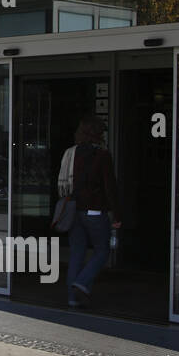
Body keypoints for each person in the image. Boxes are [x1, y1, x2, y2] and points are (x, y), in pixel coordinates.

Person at [63, 114, 121, 308]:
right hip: (95, 210)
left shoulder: (71, 153)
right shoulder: (102, 155)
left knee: (77, 253)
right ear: (98, 134)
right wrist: (117, 215)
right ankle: (81, 282)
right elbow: (109, 187)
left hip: (73, 210)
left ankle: (71, 298)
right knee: (102, 251)